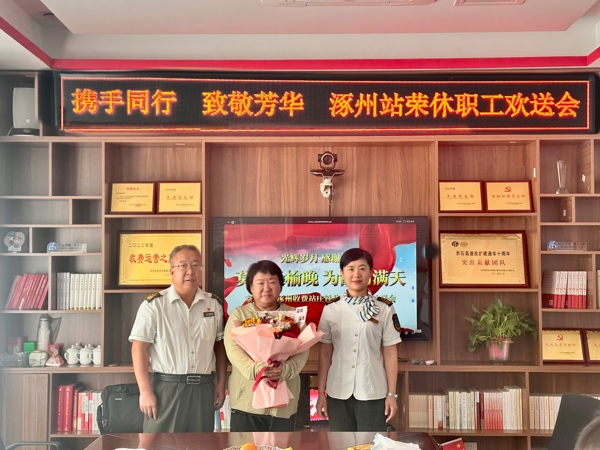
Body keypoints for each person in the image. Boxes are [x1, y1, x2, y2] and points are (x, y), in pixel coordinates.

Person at [129, 244, 227, 432]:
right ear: (172, 271)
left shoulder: (213, 304)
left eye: (196, 265)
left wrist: (221, 384)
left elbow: (219, 347)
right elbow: (138, 348)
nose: (190, 271)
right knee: (160, 443)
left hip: (203, 388)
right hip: (167, 389)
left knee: (201, 444)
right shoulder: (154, 305)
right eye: (183, 265)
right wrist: (145, 391)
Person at [316, 247, 402, 431]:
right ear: (342, 273)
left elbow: (390, 353)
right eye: (351, 268)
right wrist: (321, 393)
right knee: (341, 444)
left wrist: (392, 394)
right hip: (338, 392)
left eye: (362, 268)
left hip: (372, 392)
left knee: (371, 443)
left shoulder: (384, 308)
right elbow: (325, 353)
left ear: (371, 272)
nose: (356, 274)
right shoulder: (331, 309)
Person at [223, 259, 309, 431]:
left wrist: (284, 369)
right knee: (246, 444)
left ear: (280, 285)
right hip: (247, 399)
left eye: (272, 282)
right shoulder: (240, 314)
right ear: (250, 287)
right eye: (260, 283)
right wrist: (257, 369)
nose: (266, 288)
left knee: (281, 444)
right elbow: (232, 348)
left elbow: (303, 349)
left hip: (283, 401)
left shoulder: (293, 315)